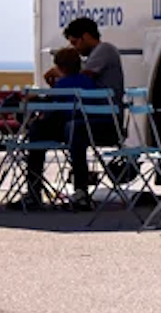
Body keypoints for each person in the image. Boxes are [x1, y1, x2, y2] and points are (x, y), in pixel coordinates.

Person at [28, 46, 102, 210]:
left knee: (36, 131)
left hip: (68, 127)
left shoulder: (63, 84)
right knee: (74, 139)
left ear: (59, 67)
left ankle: (33, 191)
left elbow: (52, 109)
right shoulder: (89, 82)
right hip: (91, 128)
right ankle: (81, 190)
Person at [62, 16, 124, 103]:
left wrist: (61, 74)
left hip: (103, 111)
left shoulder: (104, 49)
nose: (75, 48)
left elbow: (82, 79)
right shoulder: (96, 54)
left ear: (86, 36)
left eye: (75, 43)